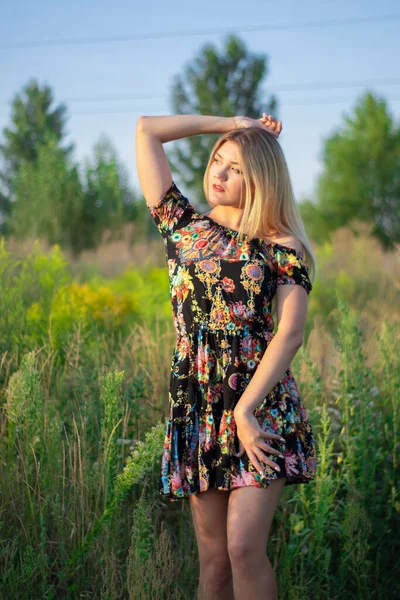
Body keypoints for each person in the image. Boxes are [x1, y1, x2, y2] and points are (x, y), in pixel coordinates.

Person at [136, 113, 317, 600]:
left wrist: (245, 410)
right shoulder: (183, 227)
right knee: (214, 561)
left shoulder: (281, 246)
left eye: (234, 167)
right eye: (218, 160)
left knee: (242, 548)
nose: (218, 172)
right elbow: (146, 130)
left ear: (259, 177)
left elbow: (291, 333)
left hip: (260, 408)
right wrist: (231, 122)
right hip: (200, 408)